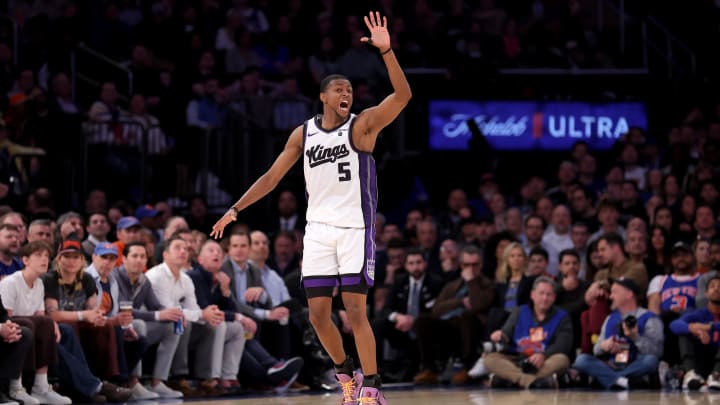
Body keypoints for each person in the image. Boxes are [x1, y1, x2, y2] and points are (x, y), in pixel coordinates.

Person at [211, 11, 411, 404]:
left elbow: (403, 97)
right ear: (322, 97)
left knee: (355, 309)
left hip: (354, 228)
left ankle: (372, 387)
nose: (346, 94)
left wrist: (387, 53)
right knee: (317, 314)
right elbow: (270, 178)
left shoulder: (363, 125)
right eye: (338, 89)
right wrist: (235, 209)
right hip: (318, 229)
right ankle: (346, 375)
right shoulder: (303, 133)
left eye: (350, 89)